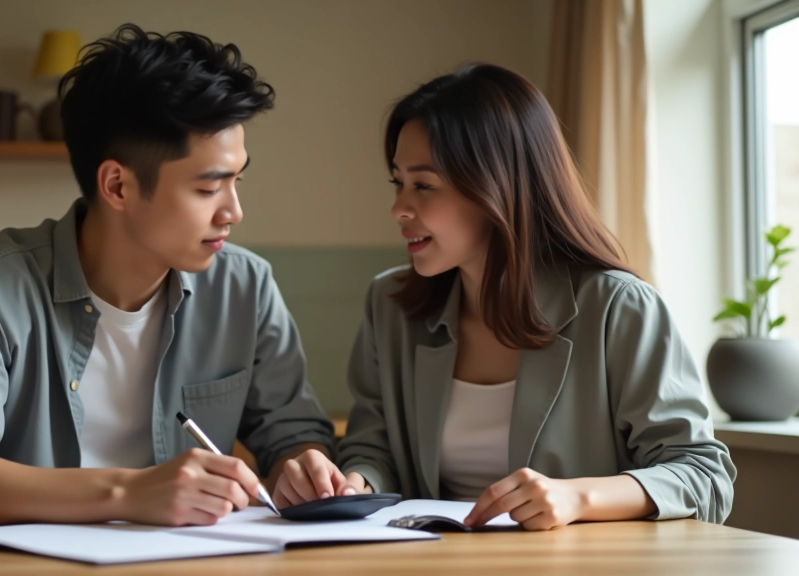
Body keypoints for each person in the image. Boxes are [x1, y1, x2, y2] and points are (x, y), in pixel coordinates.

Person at [0, 24, 335, 527]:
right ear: (117, 185)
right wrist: (128, 491)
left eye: (237, 180)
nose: (234, 211)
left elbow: (294, 437)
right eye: (209, 189)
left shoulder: (245, 288)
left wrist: (305, 467)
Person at [272, 63, 735, 530]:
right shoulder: (390, 305)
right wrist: (352, 483)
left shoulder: (619, 308)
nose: (398, 209)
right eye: (398, 182)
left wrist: (579, 497)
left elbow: (703, 474)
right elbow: (374, 448)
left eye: (424, 186)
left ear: (497, 186)